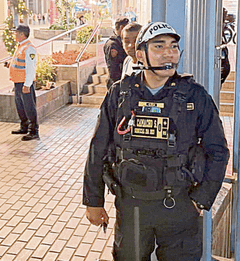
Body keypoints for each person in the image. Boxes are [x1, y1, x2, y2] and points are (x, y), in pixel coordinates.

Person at [83, 22, 230, 261]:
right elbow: (98, 148)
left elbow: (218, 151)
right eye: (159, 46)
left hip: (180, 206)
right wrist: (93, 201)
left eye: (173, 47)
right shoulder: (121, 94)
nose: (169, 52)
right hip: (132, 206)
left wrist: (201, 200)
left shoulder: (195, 95)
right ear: (140, 54)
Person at [6, 24, 39, 141]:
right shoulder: (20, 46)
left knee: (29, 106)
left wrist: (27, 84)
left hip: (24, 83)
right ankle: (24, 126)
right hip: (17, 82)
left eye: (16, 33)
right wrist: (9, 64)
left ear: (22, 34)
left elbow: (31, 68)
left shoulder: (29, 48)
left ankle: (33, 131)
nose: (14, 35)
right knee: (20, 106)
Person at [103, 17, 129, 89]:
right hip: (116, 82)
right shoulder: (113, 44)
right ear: (121, 28)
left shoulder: (120, 42)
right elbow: (113, 68)